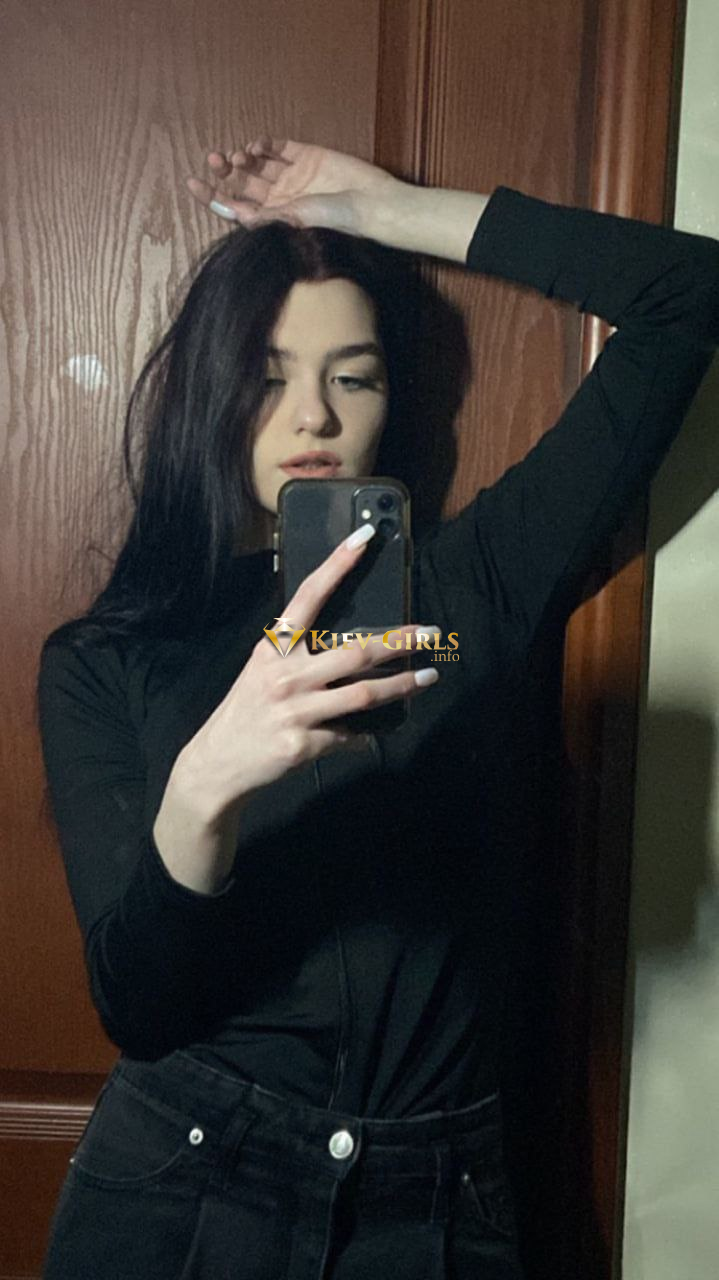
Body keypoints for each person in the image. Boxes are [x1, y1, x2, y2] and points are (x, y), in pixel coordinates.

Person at [36, 137, 719, 1279]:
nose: (312, 414)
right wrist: (205, 785)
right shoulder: (110, 662)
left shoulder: (475, 586)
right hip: (187, 1185)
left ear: (390, 401)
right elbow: (139, 1010)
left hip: (438, 1203)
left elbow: (687, 293)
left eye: (352, 375)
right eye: (267, 376)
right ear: (209, 395)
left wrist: (385, 211)